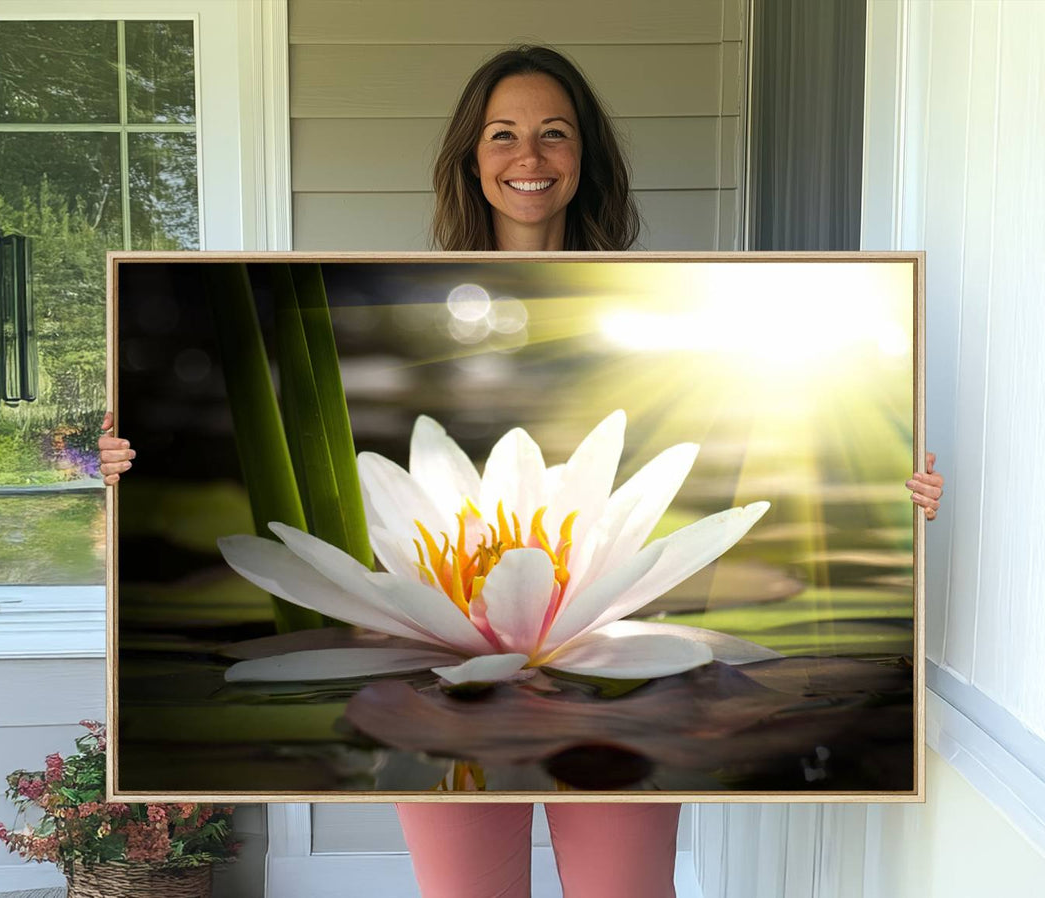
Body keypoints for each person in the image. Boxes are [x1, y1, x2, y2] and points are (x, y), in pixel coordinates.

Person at [99, 45, 944, 898]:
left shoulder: (667, 306)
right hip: (433, 679)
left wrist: (902, 494)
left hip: (610, 670)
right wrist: (123, 464)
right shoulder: (417, 297)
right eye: (503, 135)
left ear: (586, 158)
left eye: (554, 134)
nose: (528, 157)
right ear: (472, 158)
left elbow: (778, 420)